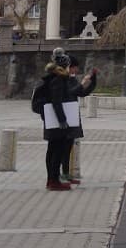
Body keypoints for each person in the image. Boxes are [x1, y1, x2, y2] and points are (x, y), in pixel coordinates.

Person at [39, 51, 77, 190]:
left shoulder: (51, 77)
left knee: (52, 150)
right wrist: (62, 120)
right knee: (57, 151)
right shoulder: (58, 79)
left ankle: (51, 180)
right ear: (65, 66)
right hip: (56, 122)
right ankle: (54, 181)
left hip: (50, 120)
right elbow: (56, 101)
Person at [60, 55, 98, 184]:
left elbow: (81, 93)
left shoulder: (71, 78)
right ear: (69, 67)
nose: (76, 71)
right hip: (63, 116)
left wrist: (93, 81)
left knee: (68, 146)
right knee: (61, 147)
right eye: (75, 68)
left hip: (72, 116)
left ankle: (66, 173)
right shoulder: (62, 79)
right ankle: (61, 174)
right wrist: (82, 83)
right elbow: (71, 92)